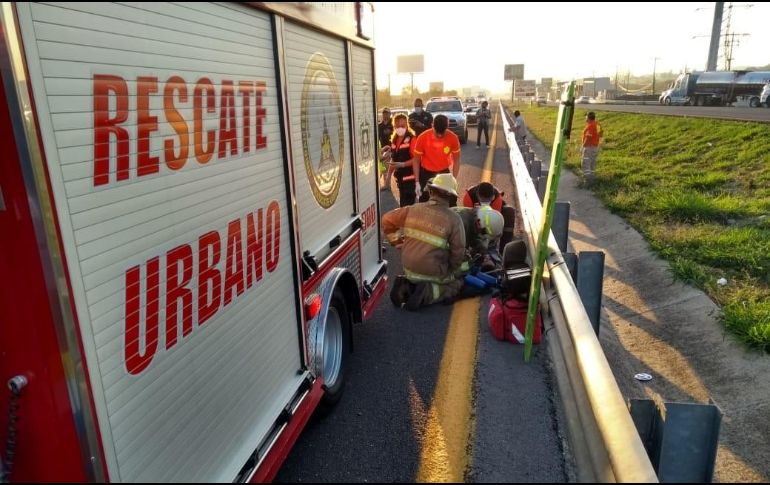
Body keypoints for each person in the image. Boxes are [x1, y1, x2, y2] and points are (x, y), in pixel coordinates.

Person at [383, 174, 466, 310]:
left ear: (431, 191)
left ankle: (408, 285)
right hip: (432, 272)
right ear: (451, 196)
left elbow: (387, 219)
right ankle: (427, 294)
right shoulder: (454, 219)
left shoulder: (412, 209)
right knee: (457, 283)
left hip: (408, 269)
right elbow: (458, 251)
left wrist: (397, 241)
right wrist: (452, 270)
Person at [412, 114, 461, 203]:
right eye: (437, 132)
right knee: (425, 202)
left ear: (447, 127)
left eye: (442, 133)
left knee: (451, 201)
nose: (439, 135)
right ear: (432, 125)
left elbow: (456, 160)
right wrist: (417, 182)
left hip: (444, 173)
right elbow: (416, 160)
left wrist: (453, 180)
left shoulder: (453, 138)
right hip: (426, 173)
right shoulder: (423, 137)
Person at [461, 183, 516, 252]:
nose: (484, 201)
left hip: (490, 214)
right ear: (477, 195)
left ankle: (503, 250)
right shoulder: (469, 196)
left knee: (509, 211)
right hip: (475, 216)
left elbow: (493, 222)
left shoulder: (497, 198)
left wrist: (485, 234)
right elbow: (469, 217)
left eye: (486, 200)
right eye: (483, 199)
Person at [383, 113, 417, 207]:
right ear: (394, 127)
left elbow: (416, 160)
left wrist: (403, 164)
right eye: (397, 126)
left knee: (407, 206)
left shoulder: (412, 139)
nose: (400, 128)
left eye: (403, 126)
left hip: (410, 179)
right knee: (403, 205)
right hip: (400, 179)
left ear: (407, 125)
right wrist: (388, 177)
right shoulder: (395, 140)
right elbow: (393, 160)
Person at [581, 111, 603, 184]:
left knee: (586, 163)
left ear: (588, 118)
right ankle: (592, 178)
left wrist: (583, 146)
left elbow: (588, 137)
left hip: (589, 147)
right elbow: (601, 134)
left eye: (586, 117)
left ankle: (587, 180)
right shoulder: (597, 124)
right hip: (595, 147)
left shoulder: (590, 126)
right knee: (592, 162)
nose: (585, 118)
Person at [378, 107, 394, 189]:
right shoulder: (379, 126)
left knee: (387, 168)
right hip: (381, 149)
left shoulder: (393, 125)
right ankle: (383, 184)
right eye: (384, 113)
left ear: (390, 114)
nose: (385, 115)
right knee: (382, 168)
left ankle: (387, 185)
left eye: (387, 113)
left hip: (390, 149)